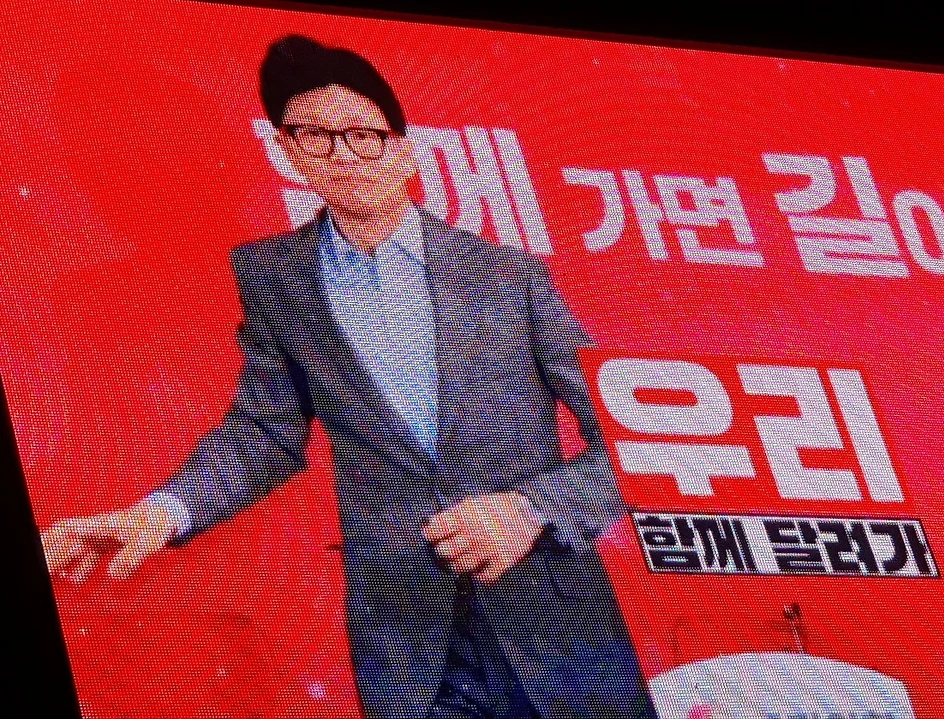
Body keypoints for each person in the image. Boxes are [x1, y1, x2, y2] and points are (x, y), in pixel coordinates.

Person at [39, 35, 657, 719]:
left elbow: (630, 439)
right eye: (316, 137)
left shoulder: (507, 275)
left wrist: (530, 509)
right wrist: (157, 514)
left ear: (405, 149)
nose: (343, 155)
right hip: (406, 634)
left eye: (363, 136)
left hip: (555, 622)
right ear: (287, 151)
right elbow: (263, 433)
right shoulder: (275, 279)